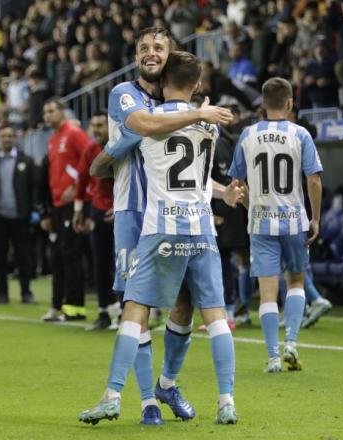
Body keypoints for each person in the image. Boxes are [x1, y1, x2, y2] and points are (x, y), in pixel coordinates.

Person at [79, 51, 238, 426]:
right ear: (197, 85)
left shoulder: (148, 121)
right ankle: (226, 401)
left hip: (160, 228)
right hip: (201, 230)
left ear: (162, 83)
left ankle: (113, 395)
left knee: (135, 308)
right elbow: (198, 178)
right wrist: (225, 191)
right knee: (215, 315)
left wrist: (104, 160)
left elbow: (112, 154)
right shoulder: (209, 125)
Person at [225, 77, 323, 373]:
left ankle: (272, 357)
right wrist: (315, 217)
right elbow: (314, 179)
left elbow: (237, 184)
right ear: (290, 103)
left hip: (261, 223)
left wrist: (250, 205)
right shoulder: (300, 134)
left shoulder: (247, 135)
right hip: (294, 221)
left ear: (263, 105)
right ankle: (291, 342)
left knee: (267, 291)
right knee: (295, 281)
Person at [39, 99, 89, 322]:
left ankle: (74, 307)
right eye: (45, 112)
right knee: (57, 255)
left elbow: (90, 161)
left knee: (70, 254)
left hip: (73, 203)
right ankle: (57, 305)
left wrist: (76, 187)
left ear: (62, 112)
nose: (47, 115)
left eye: (51, 110)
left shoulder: (74, 133)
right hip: (58, 205)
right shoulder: (53, 140)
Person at [0, 123, 37, 305]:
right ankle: (2, 293)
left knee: (23, 257)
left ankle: (26, 292)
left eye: (10, 136)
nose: (7, 139)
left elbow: (33, 188)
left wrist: (34, 209)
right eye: (4, 136)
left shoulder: (26, 161)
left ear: (15, 138)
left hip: (20, 217)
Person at [72, 112, 119, 329]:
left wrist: (120, 205)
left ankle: (123, 311)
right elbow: (81, 179)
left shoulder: (122, 147)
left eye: (101, 125)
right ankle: (103, 311)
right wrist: (79, 209)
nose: (97, 129)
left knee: (122, 264)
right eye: (93, 125)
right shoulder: (90, 150)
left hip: (123, 211)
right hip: (99, 211)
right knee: (100, 263)